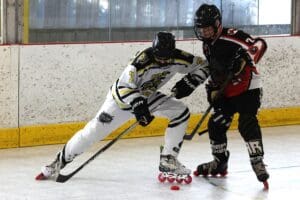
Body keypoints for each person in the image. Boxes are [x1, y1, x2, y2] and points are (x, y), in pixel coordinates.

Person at [35, 31, 209, 183]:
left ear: (173, 51)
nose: (163, 61)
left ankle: (168, 159)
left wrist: (192, 81)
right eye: (159, 57)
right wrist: (137, 104)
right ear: (153, 51)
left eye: (167, 57)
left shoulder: (181, 57)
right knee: (92, 132)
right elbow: (122, 87)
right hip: (120, 102)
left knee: (180, 112)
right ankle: (59, 162)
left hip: (147, 97)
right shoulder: (141, 61)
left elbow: (204, 65)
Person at [192, 4, 270, 188]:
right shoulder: (207, 45)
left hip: (248, 87)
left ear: (218, 24)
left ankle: (257, 161)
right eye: (201, 29)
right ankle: (219, 162)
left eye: (208, 28)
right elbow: (215, 70)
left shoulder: (233, 36)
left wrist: (243, 60)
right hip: (227, 91)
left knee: (247, 123)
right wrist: (212, 88)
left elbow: (259, 45)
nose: (204, 32)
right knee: (216, 123)